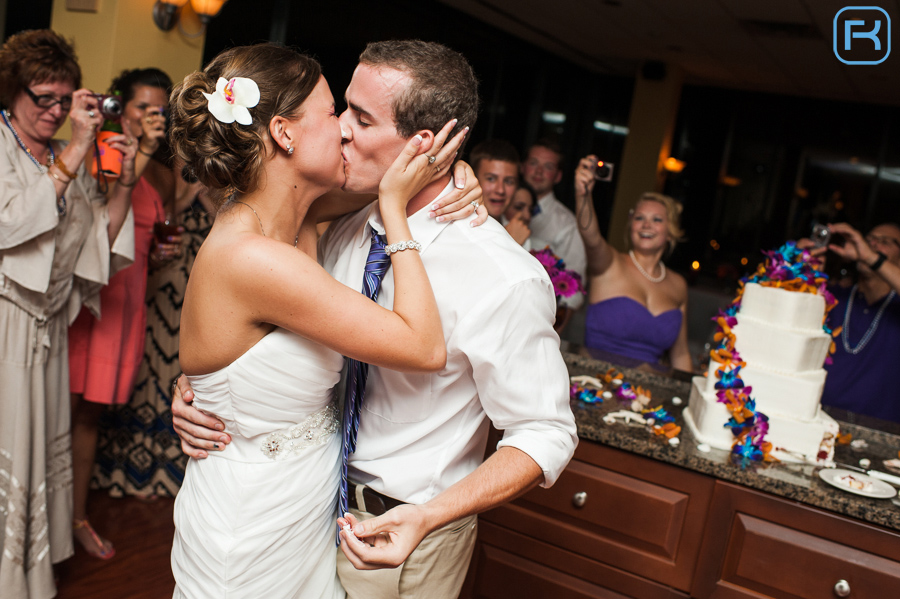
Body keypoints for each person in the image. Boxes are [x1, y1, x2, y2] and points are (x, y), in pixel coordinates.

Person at [172, 39, 577, 599]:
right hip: (301, 515)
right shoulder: (332, 221)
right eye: (338, 110)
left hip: (409, 531)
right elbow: (250, 334)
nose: (340, 128)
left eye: (359, 118)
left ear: (421, 144)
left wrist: (432, 516)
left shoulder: (503, 275)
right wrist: (213, 390)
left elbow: (546, 432)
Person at [0, 29, 135, 598]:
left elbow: (91, 241)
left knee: (37, 447)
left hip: (47, 327)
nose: (55, 112)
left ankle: (26, 571)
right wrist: (77, 150)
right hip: (5, 324)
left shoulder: (62, 156)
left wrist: (124, 180)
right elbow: (10, 225)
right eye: (43, 99)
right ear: (11, 93)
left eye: (64, 100)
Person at [67, 67, 183, 560]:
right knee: (58, 412)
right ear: (121, 107)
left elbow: (164, 219)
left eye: (161, 110)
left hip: (128, 303)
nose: (152, 117)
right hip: (88, 302)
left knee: (89, 416)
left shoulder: (155, 168)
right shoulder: (103, 149)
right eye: (143, 107)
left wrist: (159, 252)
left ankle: (74, 518)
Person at [573, 155, 692, 371]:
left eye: (657, 220)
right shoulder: (609, 263)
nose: (646, 225)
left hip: (648, 394)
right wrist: (583, 194)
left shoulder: (678, 285)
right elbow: (590, 235)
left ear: (670, 231)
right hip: (592, 384)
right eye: (639, 218)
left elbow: (681, 354)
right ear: (631, 226)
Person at [820, 222, 900, 422]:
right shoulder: (835, 296)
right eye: (870, 239)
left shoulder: (897, 307)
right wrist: (802, 266)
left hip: (879, 434)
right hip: (818, 421)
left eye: (884, 242)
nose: (872, 245)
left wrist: (871, 257)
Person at [521, 139, 587, 317]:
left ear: (558, 176)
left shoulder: (568, 224)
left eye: (548, 166)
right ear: (522, 167)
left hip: (537, 316)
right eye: (533, 163)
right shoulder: (500, 207)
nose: (539, 171)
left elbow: (572, 291)